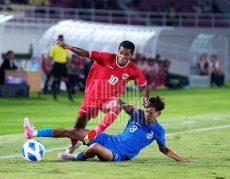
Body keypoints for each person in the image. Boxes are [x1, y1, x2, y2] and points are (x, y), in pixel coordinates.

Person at [23, 96, 189, 162]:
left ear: (158, 114)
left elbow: (164, 149)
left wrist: (180, 159)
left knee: (94, 147)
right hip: (109, 139)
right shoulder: (138, 114)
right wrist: (124, 105)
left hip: (120, 154)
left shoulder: (159, 131)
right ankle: (33, 133)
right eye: (146, 111)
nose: (147, 114)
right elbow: (120, 103)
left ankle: (74, 157)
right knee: (73, 131)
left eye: (151, 113)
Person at [54, 40, 150, 154]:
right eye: (121, 53)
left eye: (126, 54)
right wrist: (68, 47)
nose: (122, 56)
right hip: (92, 97)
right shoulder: (106, 57)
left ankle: (97, 131)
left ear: (132, 55)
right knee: (77, 128)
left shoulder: (133, 69)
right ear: (118, 51)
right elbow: (86, 53)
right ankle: (73, 145)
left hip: (108, 100)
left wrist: (146, 98)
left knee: (117, 104)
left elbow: (145, 85)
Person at [49, 35, 73, 101]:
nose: (61, 41)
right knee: (55, 79)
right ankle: (54, 95)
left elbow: (68, 58)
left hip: (63, 65)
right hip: (56, 64)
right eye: (60, 40)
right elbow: (51, 57)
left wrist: (67, 65)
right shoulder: (54, 47)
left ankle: (70, 96)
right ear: (58, 40)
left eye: (62, 40)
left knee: (66, 80)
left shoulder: (66, 47)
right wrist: (50, 65)